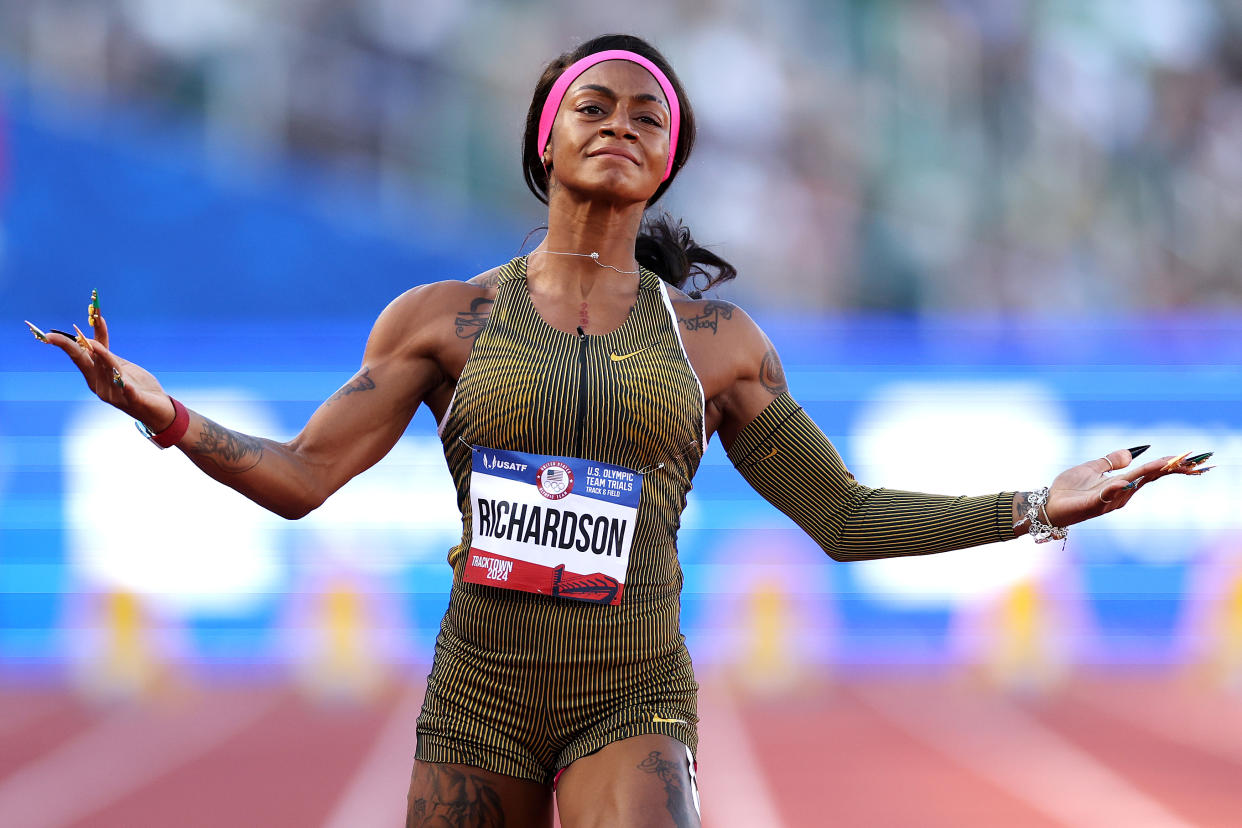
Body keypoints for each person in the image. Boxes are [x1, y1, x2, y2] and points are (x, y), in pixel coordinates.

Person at [31, 33, 1211, 828]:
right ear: (544, 138)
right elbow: (301, 478)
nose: (621, 124)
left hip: (632, 691)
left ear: (667, 166)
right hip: (479, 693)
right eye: (593, 105)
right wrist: (168, 415)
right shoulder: (441, 321)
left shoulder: (718, 344)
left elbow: (844, 518)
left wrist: (1035, 508)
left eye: (650, 117)